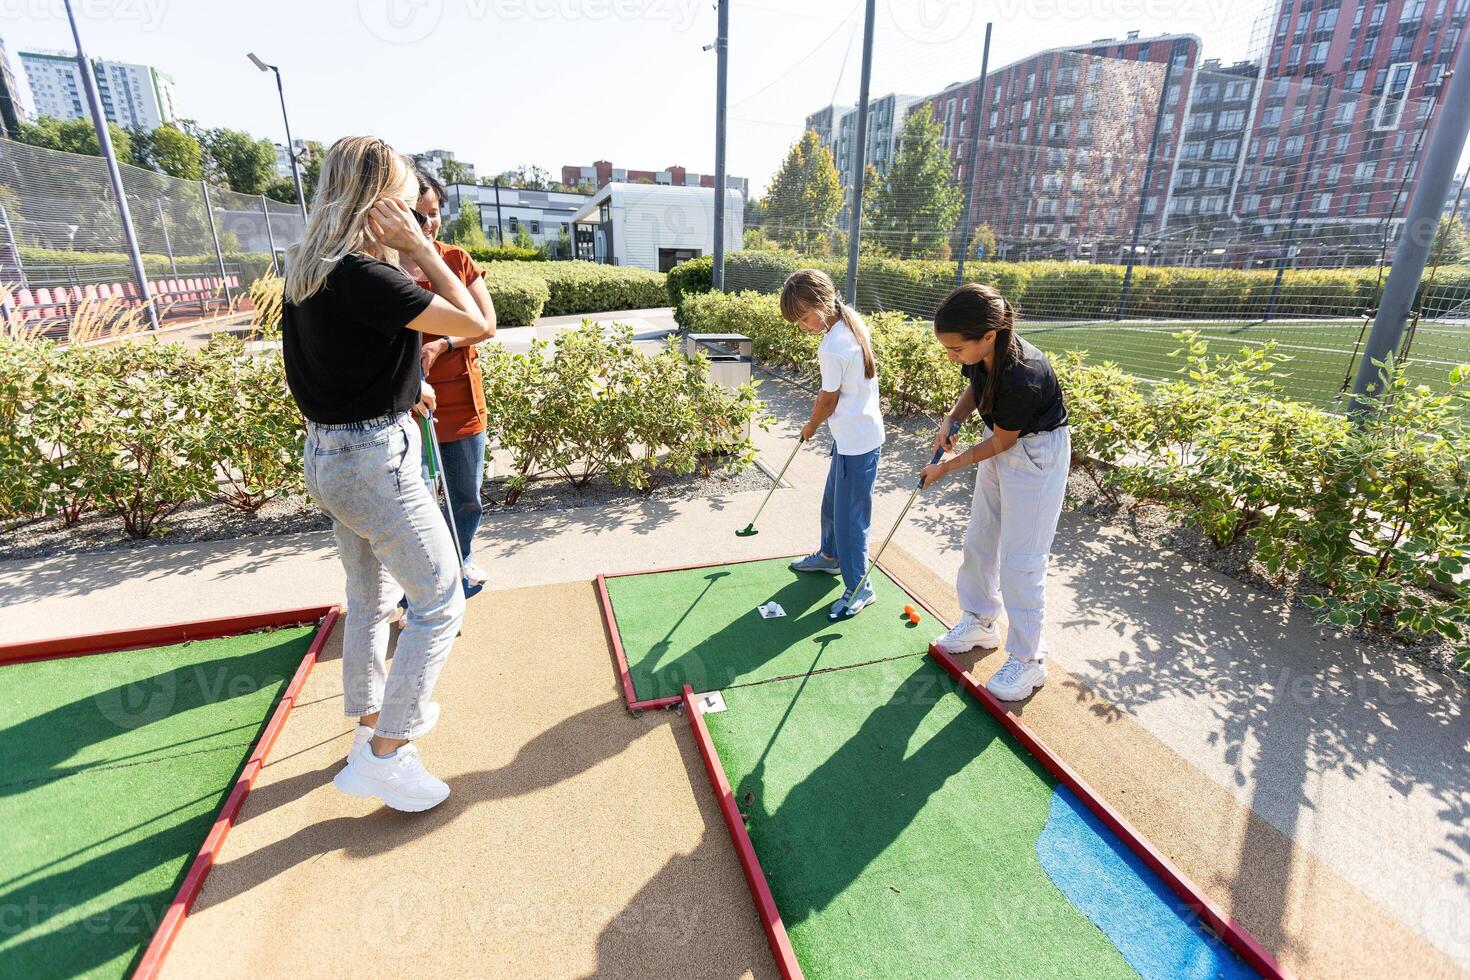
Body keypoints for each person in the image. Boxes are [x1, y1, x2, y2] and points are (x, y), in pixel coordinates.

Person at [282, 136, 489, 812]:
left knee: (371, 599)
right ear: (375, 203)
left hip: (331, 453)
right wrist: (423, 252)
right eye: (402, 200)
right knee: (440, 599)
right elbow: (475, 325)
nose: (411, 213)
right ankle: (386, 752)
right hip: (373, 460)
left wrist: (403, 391)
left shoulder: (310, 266)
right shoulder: (369, 276)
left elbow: (334, 364)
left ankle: (371, 728)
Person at [919, 283, 1070, 702]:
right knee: (981, 537)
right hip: (1002, 438)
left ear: (988, 335)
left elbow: (1003, 442)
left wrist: (945, 467)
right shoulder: (982, 349)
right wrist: (951, 419)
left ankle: (1029, 660)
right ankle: (982, 621)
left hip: (1036, 452)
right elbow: (976, 384)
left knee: (1022, 561)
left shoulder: (1024, 373)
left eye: (955, 349)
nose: (951, 356)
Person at [398, 167, 497, 586]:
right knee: (415, 500)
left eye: (434, 212)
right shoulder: (381, 268)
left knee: (465, 496)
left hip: (460, 399)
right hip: (407, 403)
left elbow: (486, 325)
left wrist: (444, 344)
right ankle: (424, 580)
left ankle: (463, 558)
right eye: (419, 214)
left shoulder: (455, 259)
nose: (429, 223)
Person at [781, 269, 886, 618]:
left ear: (822, 304)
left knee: (850, 521)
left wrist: (811, 425)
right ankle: (830, 556)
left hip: (857, 443)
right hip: (853, 438)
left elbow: (828, 400)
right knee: (832, 506)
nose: (804, 327)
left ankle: (860, 587)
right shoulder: (849, 321)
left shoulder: (834, 344)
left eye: (805, 318)